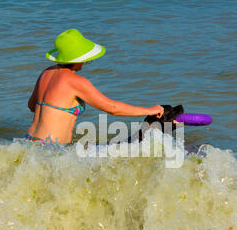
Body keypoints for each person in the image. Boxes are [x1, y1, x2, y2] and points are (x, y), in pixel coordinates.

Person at [26, 29, 164, 145]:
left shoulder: (46, 73)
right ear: (78, 58)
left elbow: (32, 106)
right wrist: (150, 110)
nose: (87, 61)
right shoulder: (75, 81)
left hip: (30, 142)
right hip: (51, 148)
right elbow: (113, 108)